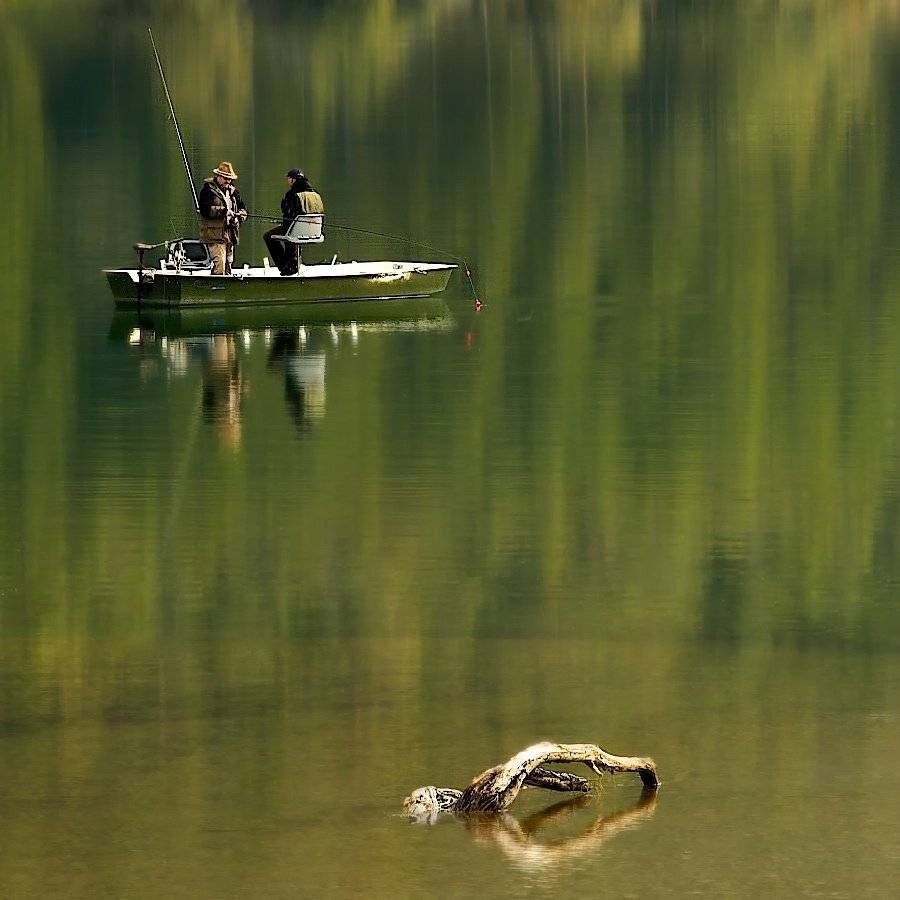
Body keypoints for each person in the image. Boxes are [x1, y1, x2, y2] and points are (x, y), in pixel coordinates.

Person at [264, 168, 325, 276]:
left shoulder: (293, 194)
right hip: (314, 232)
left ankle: (285, 266)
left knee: (269, 236)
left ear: (292, 180)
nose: (287, 182)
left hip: (296, 230)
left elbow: (289, 215)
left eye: (288, 179)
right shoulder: (315, 194)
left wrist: (283, 223)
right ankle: (292, 264)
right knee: (292, 231)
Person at [198, 161, 247, 275]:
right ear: (218, 176)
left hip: (230, 233)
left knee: (228, 264)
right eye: (226, 178)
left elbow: (243, 209)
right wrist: (225, 212)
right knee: (219, 264)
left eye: (230, 179)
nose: (228, 181)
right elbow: (206, 211)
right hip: (214, 234)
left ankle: (226, 289)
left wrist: (241, 215)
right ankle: (216, 289)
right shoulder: (207, 191)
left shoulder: (234, 192)